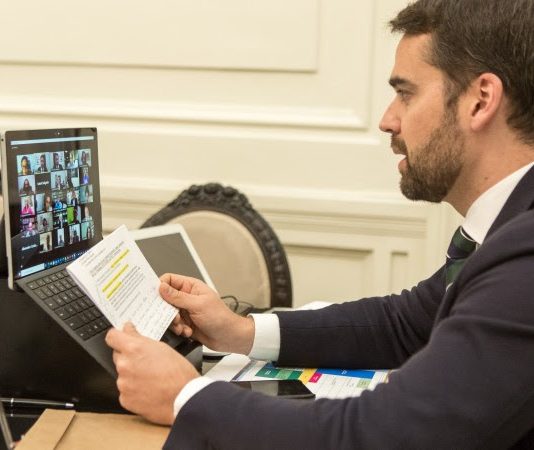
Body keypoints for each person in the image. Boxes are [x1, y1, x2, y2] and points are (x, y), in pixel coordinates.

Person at [105, 1, 534, 448]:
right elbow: (403, 324)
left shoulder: (525, 259)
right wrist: (241, 331)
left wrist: (184, 396)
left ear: (480, 100)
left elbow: (382, 437)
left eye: (406, 94)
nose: (388, 120)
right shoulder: (507, 229)